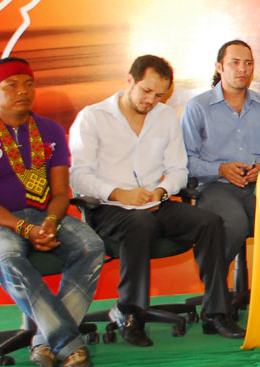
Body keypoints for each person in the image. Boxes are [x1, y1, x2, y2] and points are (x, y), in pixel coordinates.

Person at [70, 55, 245, 344]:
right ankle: (130, 312)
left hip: (155, 202)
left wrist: (162, 191)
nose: (151, 100)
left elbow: (178, 169)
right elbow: (79, 177)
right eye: (146, 91)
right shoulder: (93, 117)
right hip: (109, 207)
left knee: (210, 222)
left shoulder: (165, 117)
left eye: (159, 95)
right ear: (129, 81)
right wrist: (119, 193)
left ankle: (216, 312)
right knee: (141, 223)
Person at [0, 57, 103, 367]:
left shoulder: (49, 130)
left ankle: (44, 342)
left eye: (29, 84)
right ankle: (68, 344)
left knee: (91, 246)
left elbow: (60, 193)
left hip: (44, 215)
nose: (23, 90)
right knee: (6, 256)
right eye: (12, 85)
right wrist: (24, 228)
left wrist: (50, 222)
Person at [181, 40, 260, 282]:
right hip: (215, 186)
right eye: (234, 63)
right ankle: (215, 290)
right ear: (219, 67)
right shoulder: (198, 107)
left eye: (248, 63)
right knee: (234, 224)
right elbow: (185, 162)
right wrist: (220, 169)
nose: (242, 69)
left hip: (259, 187)